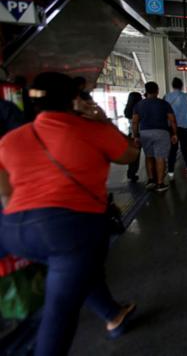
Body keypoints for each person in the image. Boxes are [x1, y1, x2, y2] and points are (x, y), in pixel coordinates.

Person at [0, 72, 140, 355]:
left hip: (14, 230)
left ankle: (113, 314)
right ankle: (110, 319)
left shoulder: (12, 139)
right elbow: (130, 155)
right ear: (75, 99)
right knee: (60, 311)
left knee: (77, 271)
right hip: (69, 228)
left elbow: (5, 192)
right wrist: (103, 120)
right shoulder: (90, 130)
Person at [131, 82, 178, 192]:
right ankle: (160, 184)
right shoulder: (164, 104)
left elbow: (134, 122)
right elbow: (172, 120)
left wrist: (136, 136)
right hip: (161, 132)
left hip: (145, 133)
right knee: (160, 157)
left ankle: (151, 180)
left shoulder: (139, 105)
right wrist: (174, 133)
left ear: (146, 91)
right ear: (157, 90)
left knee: (148, 156)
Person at [164, 77, 187, 180]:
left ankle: (170, 172)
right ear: (182, 86)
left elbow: (164, 112)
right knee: (186, 149)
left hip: (171, 127)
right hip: (186, 125)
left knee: (172, 150)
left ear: (172, 86)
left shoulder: (166, 97)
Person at [123, 92, 143, 181]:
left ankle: (131, 173)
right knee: (150, 155)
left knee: (134, 155)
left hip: (131, 133)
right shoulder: (140, 108)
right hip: (141, 132)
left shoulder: (127, 109)